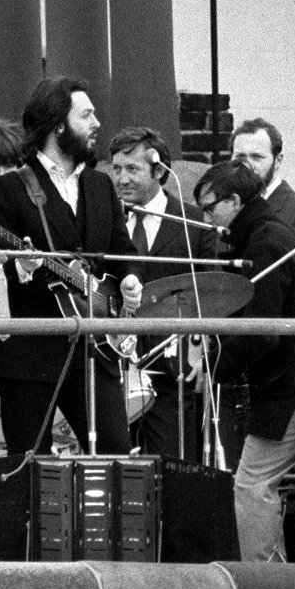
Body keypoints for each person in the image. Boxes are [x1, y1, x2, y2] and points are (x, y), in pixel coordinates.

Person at [0, 76, 142, 456]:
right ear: (58, 126)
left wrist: (130, 279)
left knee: (116, 455)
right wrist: (23, 268)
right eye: (86, 115)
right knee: (31, 466)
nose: (97, 123)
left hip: (94, 350)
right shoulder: (9, 190)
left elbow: (122, 249)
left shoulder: (100, 186)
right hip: (30, 355)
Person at [194, 160, 295, 562]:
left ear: (235, 201)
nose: (207, 219)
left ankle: (262, 580)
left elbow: (262, 331)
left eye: (210, 208)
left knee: (252, 485)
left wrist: (215, 364)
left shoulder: (265, 242)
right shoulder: (271, 234)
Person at [109, 126, 212, 459]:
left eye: (132, 169)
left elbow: (213, 293)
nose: (122, 179)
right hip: (113, 367)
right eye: (117, 169)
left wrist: (203, 352)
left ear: (159, 171)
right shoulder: (104, 220)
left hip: (171, 373)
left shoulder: (194, 223)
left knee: (172, 465)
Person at [231, 118, 295, 272]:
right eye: (240, 157)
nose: (247, 166)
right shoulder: (223, 205)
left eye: (257, 157)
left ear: (278, 161)